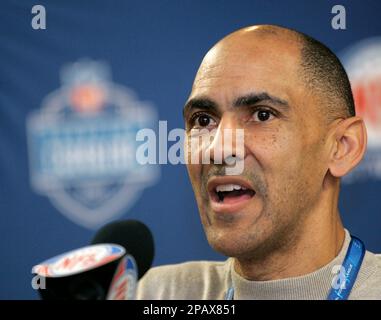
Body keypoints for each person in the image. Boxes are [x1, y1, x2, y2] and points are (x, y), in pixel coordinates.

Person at [136, 25, 381, 300]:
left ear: (342, 147)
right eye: (204, 120)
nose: (218, 149)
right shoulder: (150, 295)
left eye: (262, 115)